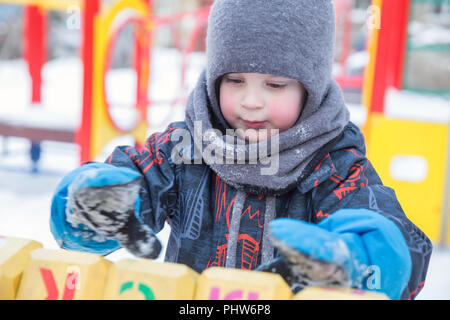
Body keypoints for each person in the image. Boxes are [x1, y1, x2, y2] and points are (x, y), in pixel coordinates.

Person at [50, 0, 432, 300]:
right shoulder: (185, 149)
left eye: (276, 85)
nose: (251, 101)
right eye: (234, 80)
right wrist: (93, 205)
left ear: (310, 88)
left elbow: (384, 228)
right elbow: (137, 179)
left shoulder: (334, 165)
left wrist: (356, 260)